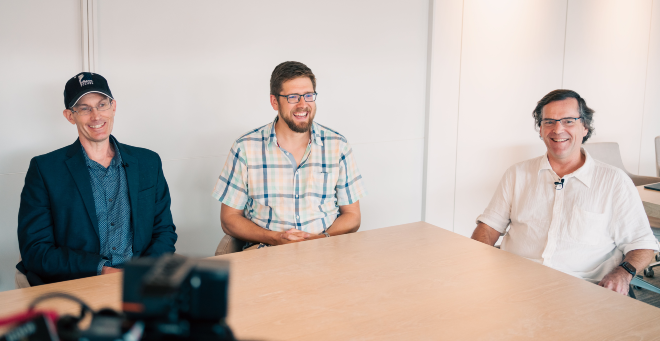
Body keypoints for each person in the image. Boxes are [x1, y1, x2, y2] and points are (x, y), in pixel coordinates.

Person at [471, 89, 658, 295]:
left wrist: (623, 273)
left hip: (584, 290)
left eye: (569, 121)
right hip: (517, 285)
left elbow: (643, 244)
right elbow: (487, 229)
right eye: (549, 121)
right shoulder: (517, 174)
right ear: (540, 129)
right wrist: (480, 265)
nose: (558, 130)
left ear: (585, 127)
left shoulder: (614, 181)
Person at [16, 72, 177, 286]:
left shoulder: (148, 162)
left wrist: (141, 274)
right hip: (77, 283)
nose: (96, 116)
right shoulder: (45, 169)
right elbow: (36, 250)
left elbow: (164, 232)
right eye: (84, 108)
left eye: (102, 105)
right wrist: (101, 270)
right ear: (69, 115)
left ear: (113, 106)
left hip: (141, 281)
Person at [212, 61, 367, 250]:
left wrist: (320, 238)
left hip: (325, 254)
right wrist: (275, 238)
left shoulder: (337, 146)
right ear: (274, 101)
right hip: (266, 253)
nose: (303, 105)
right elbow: (229, 219)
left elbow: (353, 216)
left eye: (309, 96)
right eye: (293, 97)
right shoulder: (245, 148)